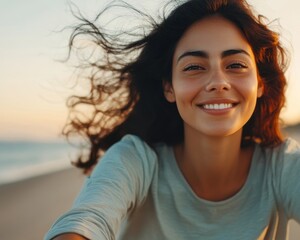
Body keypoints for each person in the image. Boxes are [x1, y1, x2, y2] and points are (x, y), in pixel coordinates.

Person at [45, 0, 300, 239]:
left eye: (235, 65)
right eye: (193, 67)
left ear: (259, 84)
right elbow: (88, 220)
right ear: (169, 88)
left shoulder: (282, 167)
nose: (218, 82)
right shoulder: (134, 160)